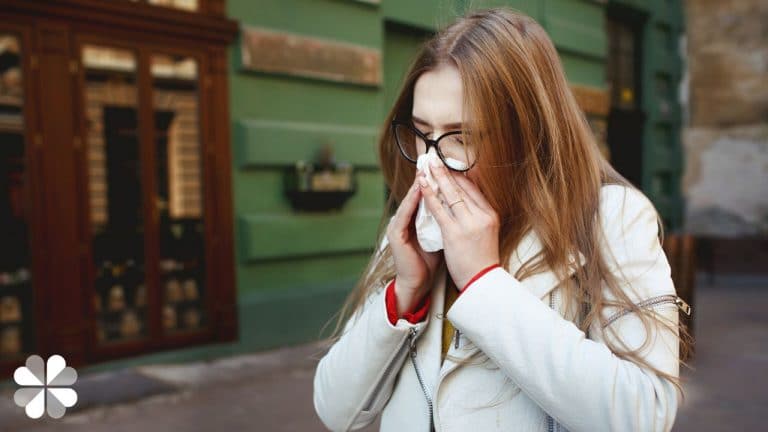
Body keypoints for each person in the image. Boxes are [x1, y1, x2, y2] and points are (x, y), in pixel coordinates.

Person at [313, 7, 692, 432]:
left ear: (527, 136)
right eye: (422, 133)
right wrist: (405, 291)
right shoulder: (418, 231)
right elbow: (335, 409)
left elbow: (644, 413)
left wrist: (483, 283)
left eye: (462, 136)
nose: (431, 162)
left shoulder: (612, 218)